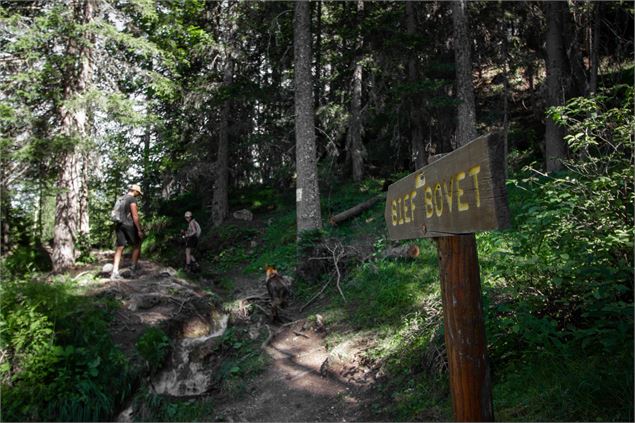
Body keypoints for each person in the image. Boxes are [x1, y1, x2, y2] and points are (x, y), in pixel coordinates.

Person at [111, 184, 144, 279]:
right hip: (129, 225)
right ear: (135, 191)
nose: (138, 195)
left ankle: (115, 271)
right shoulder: (132, 199)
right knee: (137, 244)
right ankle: (133, 268)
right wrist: (139, 229)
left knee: (120, 247)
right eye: (138, 193)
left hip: (119, 225)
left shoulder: (121, 198)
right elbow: (135, 216)